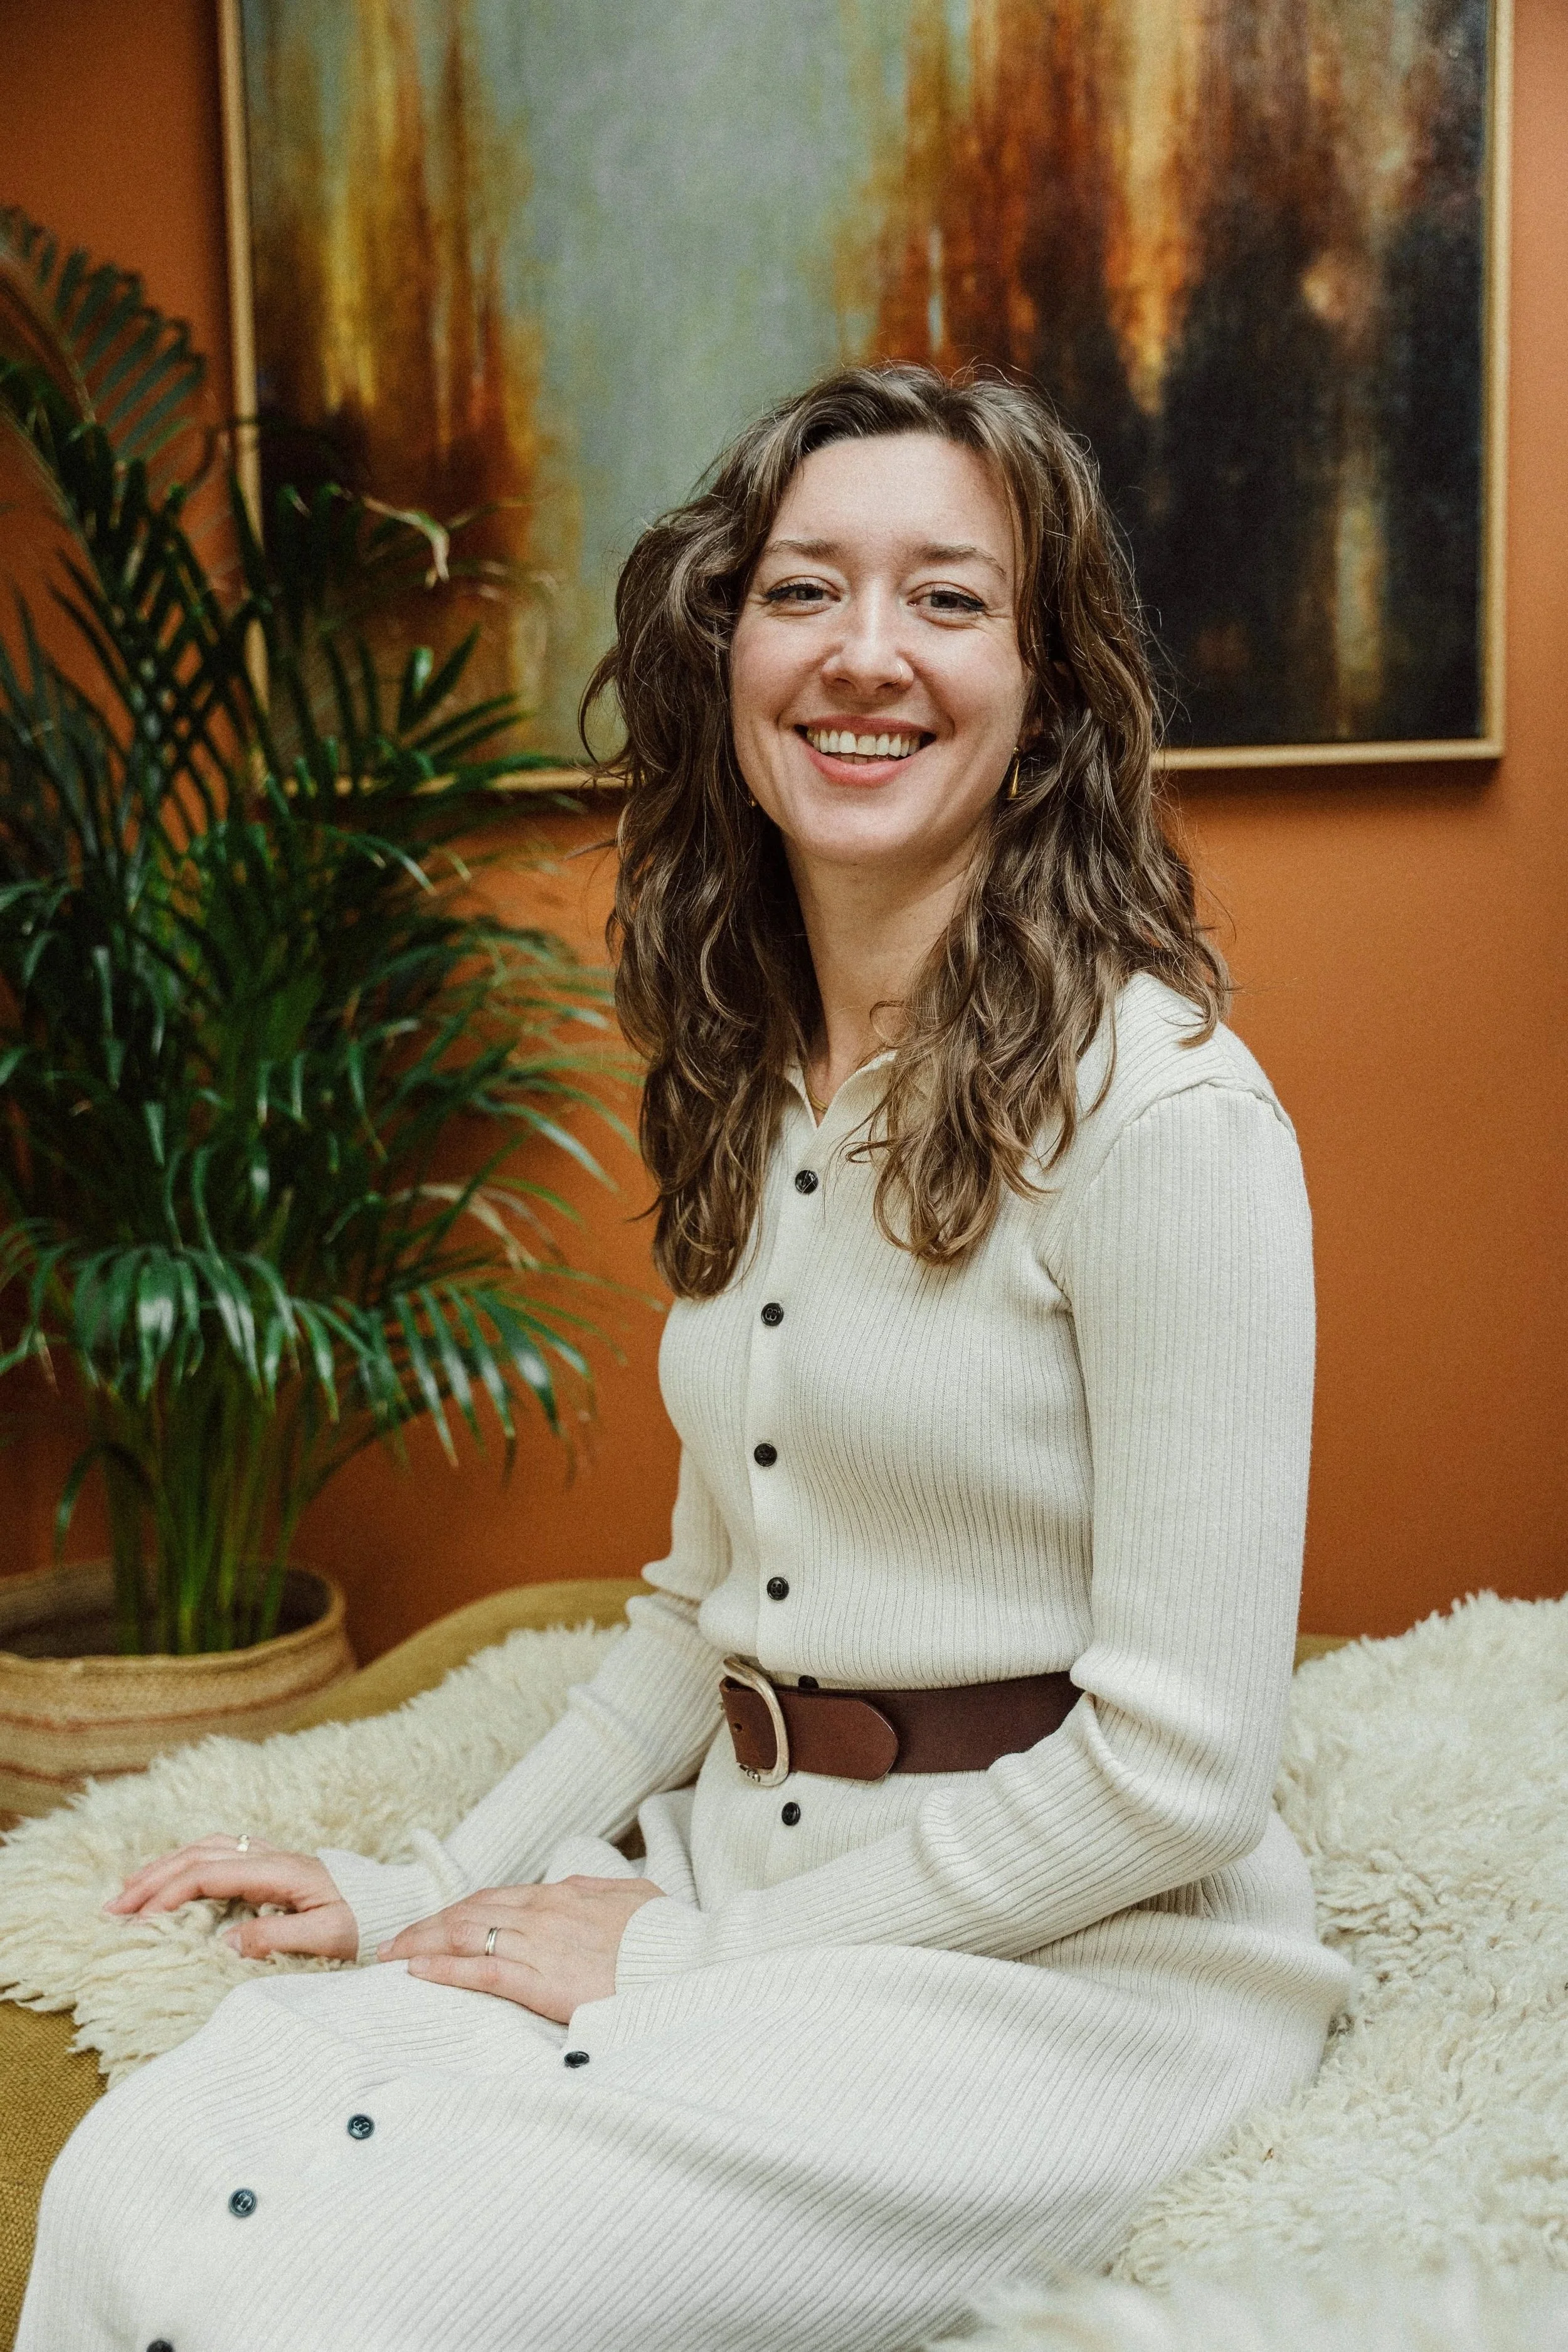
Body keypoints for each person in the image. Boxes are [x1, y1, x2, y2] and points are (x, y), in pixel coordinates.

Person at [19, 364, 1350, 2352]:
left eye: (948, 599)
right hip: (741, 1877)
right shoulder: (748, 1080)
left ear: (1051, 684)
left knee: (331, 2292)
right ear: (723, 649)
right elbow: (691, 1607)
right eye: (804, 590)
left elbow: (1175, 1776)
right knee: (141, 2178)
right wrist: (423, 1884)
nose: (864, 655)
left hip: (1068, 1975)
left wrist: (696, 1954)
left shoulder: (1164, 1112)